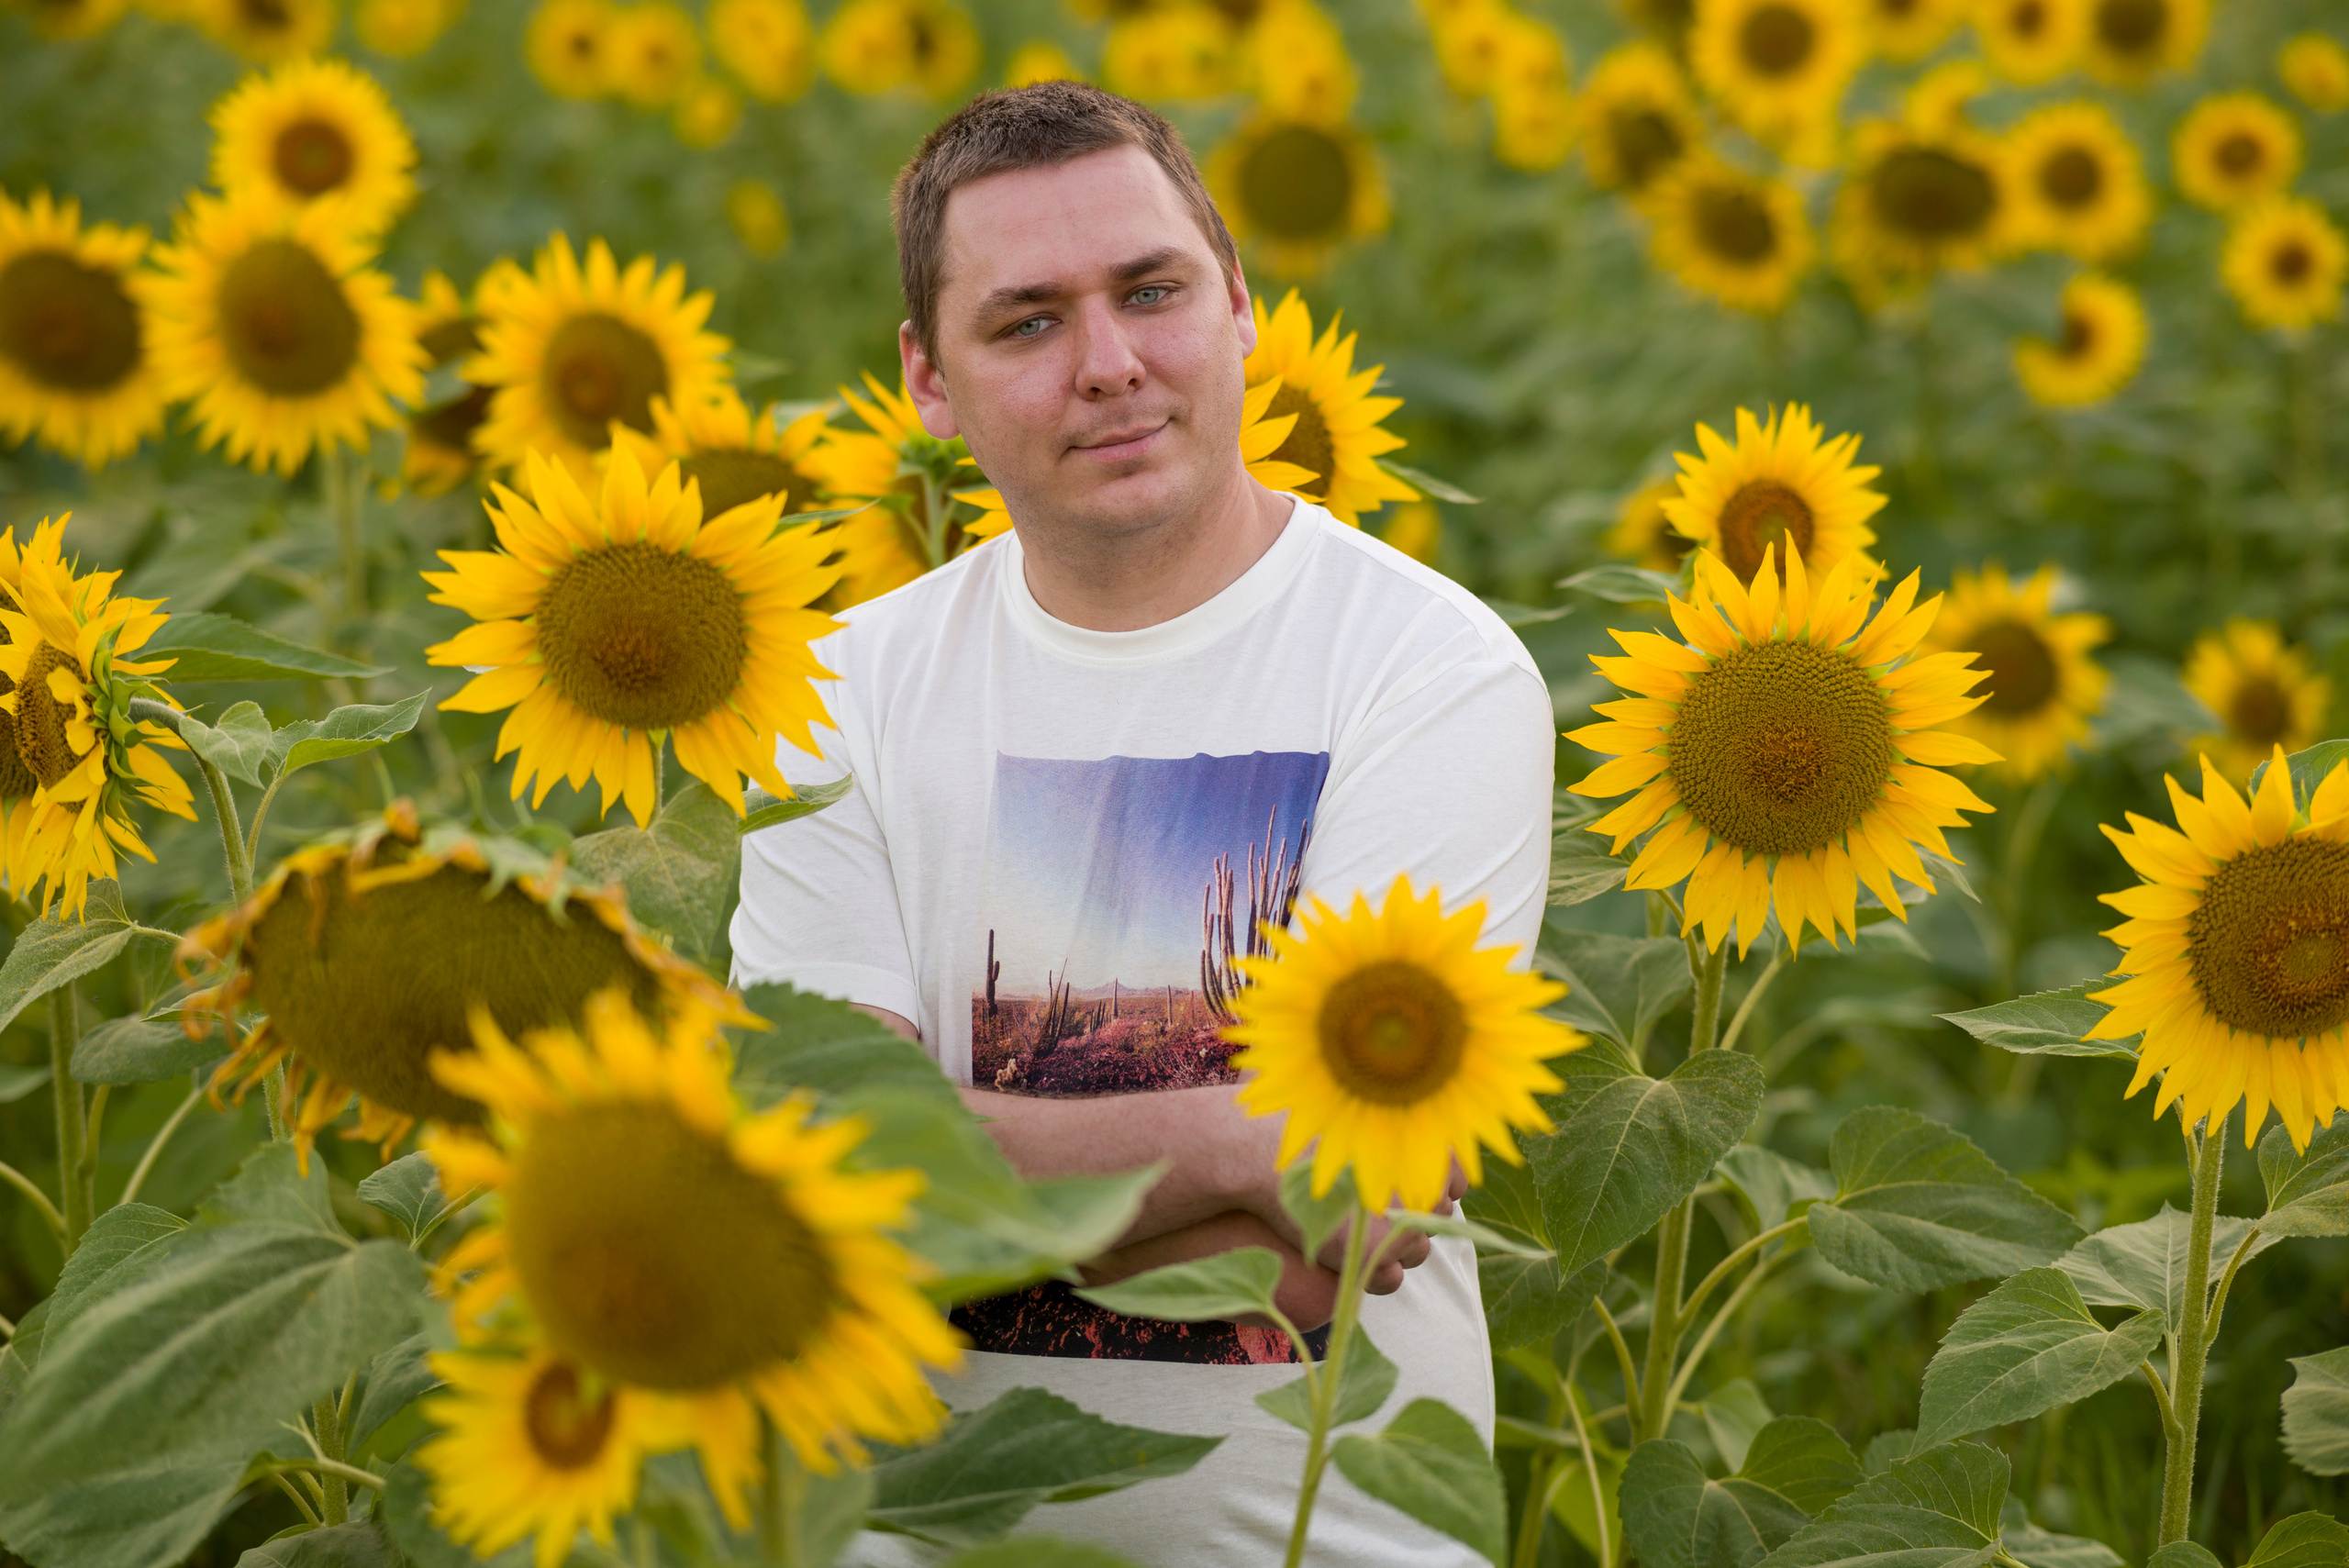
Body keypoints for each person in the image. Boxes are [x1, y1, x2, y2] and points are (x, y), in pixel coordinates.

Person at [730, 80, 1553, 1566]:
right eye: (1028, 321)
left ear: (1240, 304)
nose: (1109, 364)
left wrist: (972, 1173)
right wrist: (1237, 1134)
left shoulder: (1426, 671)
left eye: (1151, 290)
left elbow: (1354, 1225)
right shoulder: (831, 695)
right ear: (928, 378)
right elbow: (819, 1184)